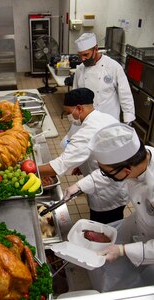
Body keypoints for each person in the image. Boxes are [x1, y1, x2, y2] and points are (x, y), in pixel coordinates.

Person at [65, 123, 154, 291]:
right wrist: (78, 186)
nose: (104, 174)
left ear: (127, 171)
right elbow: (109, 172)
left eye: (106, 171)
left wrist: (123, 250)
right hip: (141, 224)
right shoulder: (140, 157)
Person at [39, 87, 128, 224]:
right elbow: (103, 150)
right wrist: (83, 165)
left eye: (69, 112)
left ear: (79, 108)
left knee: (105, 227)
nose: (70, 116)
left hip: (107, 193)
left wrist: (29, 169)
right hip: (116, 183)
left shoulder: (88, 131)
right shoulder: (105, 117)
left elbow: (58, 166)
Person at [72, 32, 135, 124]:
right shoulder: (80, 70)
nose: (83, 59)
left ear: (96, 49)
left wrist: (128, 119)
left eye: (86, 55)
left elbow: (125, 95)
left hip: (109, 121)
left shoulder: (113, 67)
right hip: (88, 122)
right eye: (80, 56)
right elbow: (75, 95)